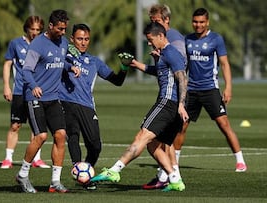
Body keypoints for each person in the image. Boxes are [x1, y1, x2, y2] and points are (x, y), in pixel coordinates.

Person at [91, 22, 189, 192]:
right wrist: (136, 64)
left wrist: (181, 104)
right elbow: (160, 71)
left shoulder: (171, 52)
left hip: (167, 103)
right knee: (153, 144)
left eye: (150, 39)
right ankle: (175, 180)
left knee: (142, 135)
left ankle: (115, 170)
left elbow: (182, 78)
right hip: (172, 105)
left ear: (160, 36)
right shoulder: (164, 53)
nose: (149, 43)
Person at [173, 7, 247, 172]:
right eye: (195, 22)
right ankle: (174, 163)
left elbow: (225, 64)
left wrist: (228, 88)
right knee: (182, 126)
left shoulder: (216, 39)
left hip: (210, 89)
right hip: (191, 90)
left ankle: (240, 161)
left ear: (207, 22)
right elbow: (183, 66)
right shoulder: (187, 40)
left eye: (201, 22)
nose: (198, 25)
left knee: (223, 124)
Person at [15, 9, 80, 193]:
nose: (62, 32)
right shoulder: (38, 44)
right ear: (50, 26)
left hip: (53, 97)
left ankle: (55, 182)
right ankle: (23, 174)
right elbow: (26, 70)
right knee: (41, 136)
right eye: (59, 28)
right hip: (35, 97)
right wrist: (34, 85)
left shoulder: (63, 42)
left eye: (64, 28)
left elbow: (60, 61)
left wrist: (70, 67)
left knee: (60, 136)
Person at [60, 23, 128, 190]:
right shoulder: (63, 54)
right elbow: (54, 60)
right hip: (66, 101)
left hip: (87, 105)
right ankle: (80, 171)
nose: (83, 42)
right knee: (73, 136)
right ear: (72, 39)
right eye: (79, 39)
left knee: (95, 145)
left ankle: (85, 172)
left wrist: (125, 67)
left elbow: (117, 81)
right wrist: (66, 55)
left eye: (86, 39)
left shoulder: (94, 62)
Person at [142, 4, 187, 190]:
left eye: (157, 22)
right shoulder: (161, 42)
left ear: (166, 20)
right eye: (152, 22)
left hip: (177, 96)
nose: (154, 25)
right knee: (165, 139)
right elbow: (163, 69)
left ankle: (168, 176)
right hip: (172, 95)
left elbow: (179, 71)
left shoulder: (174, 41)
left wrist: (181, 103)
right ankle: (169, 176)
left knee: (161, 138)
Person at [0, 16, 50, 169]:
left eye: (38, 30)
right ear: (27, 28)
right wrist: (6, 86)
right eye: (32, 29)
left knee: (37, 127)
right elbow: (8, 64)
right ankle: (8, 159)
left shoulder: (44, 44)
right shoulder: (16, 44)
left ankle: (37, 159)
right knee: (15, 125)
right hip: (19, 91)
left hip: (37, 91)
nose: (35, 32)